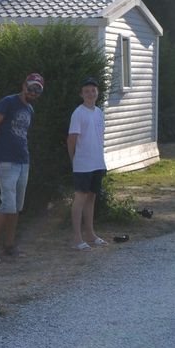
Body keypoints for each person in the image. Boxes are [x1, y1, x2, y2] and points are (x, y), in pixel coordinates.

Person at [0, 72, 44, 260]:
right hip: (6, 161)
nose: (33, 92)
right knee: (7, 204)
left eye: (38, 90)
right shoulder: (7, 102)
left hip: (23, 161)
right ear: (24, 85)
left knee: (16, 206)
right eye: (31, 87)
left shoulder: (30, 109)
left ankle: (9, 246)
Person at [68, 76, 108, 250]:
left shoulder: (99, 112)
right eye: (86, 91)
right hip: (83, 163)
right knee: (80, 198)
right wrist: (74, 159)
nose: (90, 94)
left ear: (97, 92)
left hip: (97, 162)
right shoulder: (78, 113)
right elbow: (71, 139)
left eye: (93, 90)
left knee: (91, 197)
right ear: (81, 94)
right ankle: (77, 238)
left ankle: (90, 234)